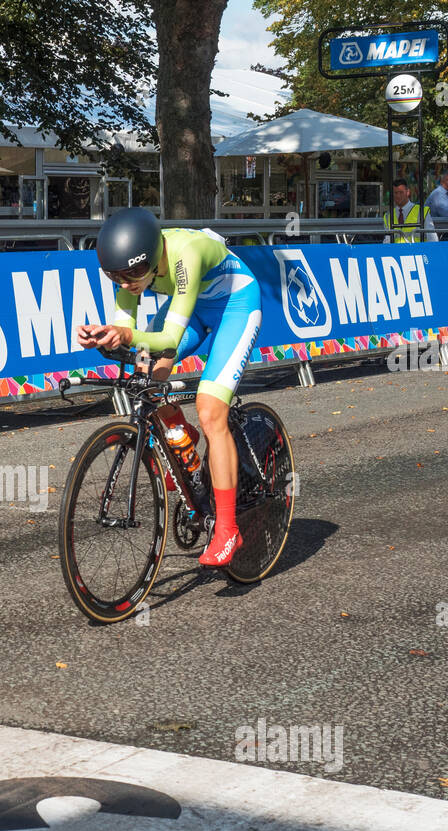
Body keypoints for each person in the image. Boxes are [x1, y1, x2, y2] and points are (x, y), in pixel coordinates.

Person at [75, 208, 262, 569]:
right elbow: (129, 339)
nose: (127, 284)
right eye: (116, 276)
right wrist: (105, 337)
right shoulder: (131, 272)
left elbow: (168, 337)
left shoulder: (185, 254)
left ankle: (227, 528)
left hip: (235, 307)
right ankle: (181, 436)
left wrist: (127, 334)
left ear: (151, 255)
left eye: (132, 274)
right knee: (144, 375)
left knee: (211, 411)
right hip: (192, 308)